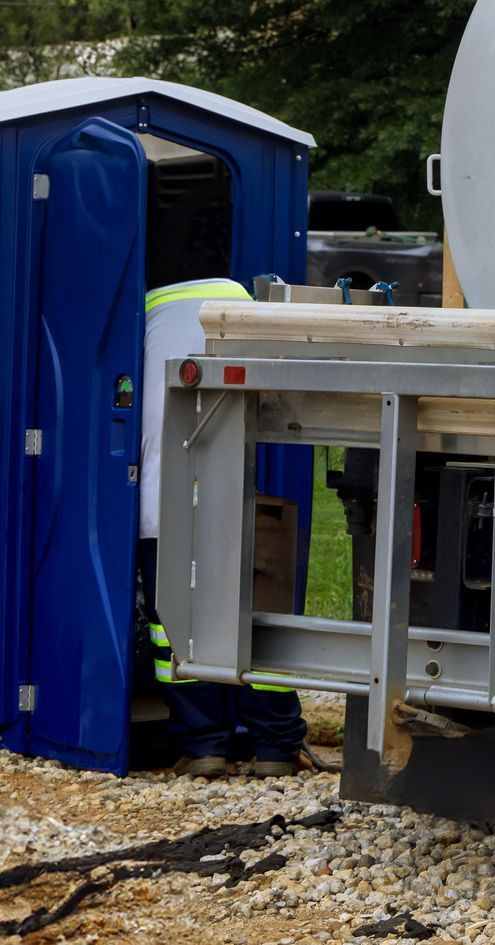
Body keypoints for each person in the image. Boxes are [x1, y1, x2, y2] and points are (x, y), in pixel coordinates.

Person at [138, 277, 309, 777]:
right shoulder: (248, 310)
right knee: (256, 616)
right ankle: (276, 748)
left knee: (171, 625)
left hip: (161, 503)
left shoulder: (143, 322)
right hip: (242, 500)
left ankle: (205, 746)